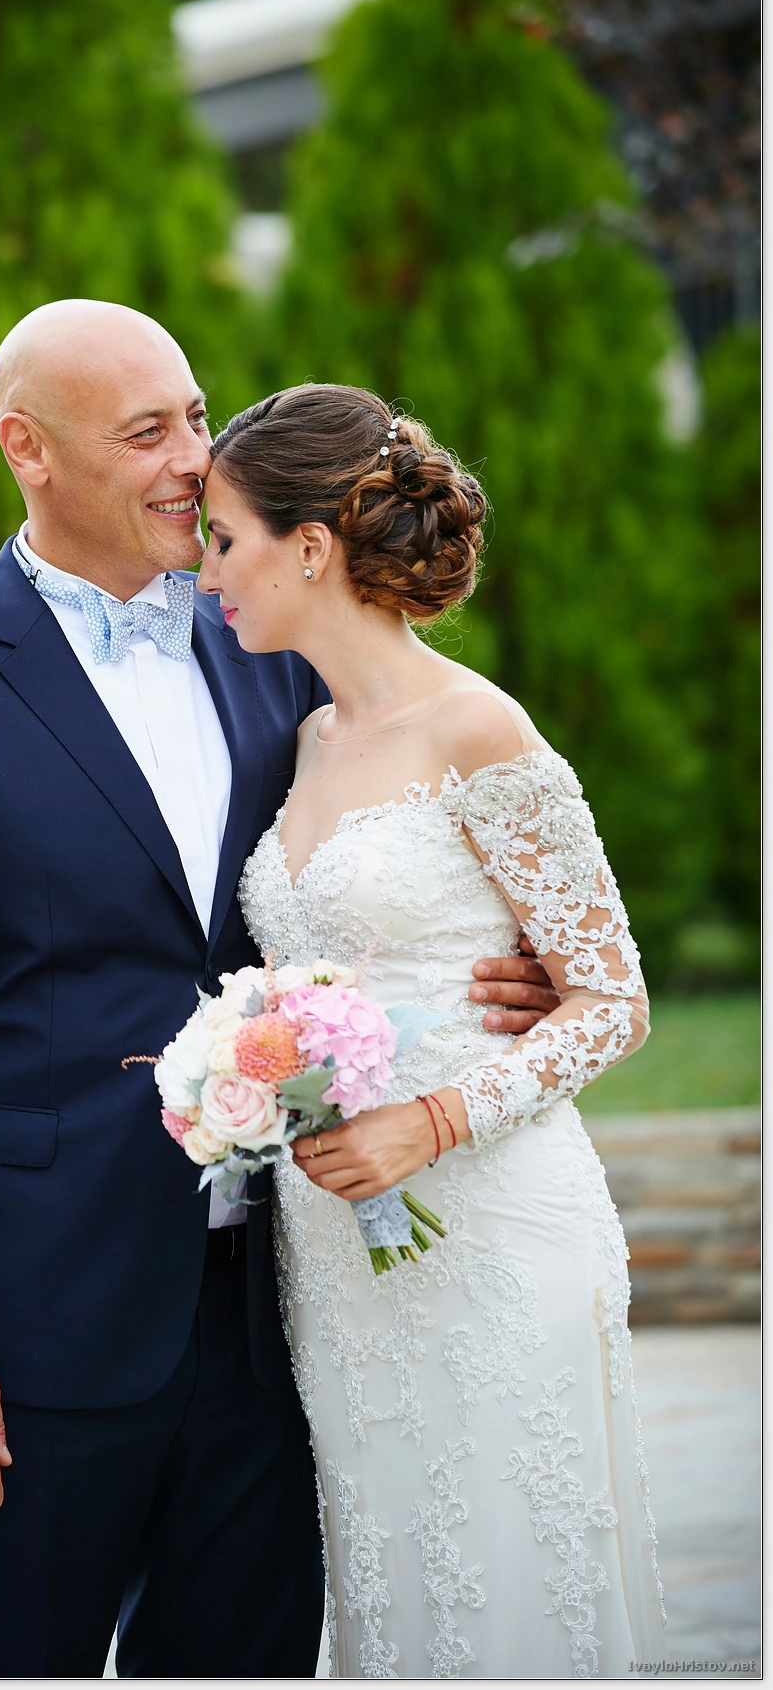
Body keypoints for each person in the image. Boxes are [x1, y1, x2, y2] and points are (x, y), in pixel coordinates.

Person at [0, 305, 559, 1678]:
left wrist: (487, 973)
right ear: (27, 448)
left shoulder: (270, 642)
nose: (194, 461)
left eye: (198, 418)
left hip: (278, 1317)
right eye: (147, 432)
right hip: (32, 1325)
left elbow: (377, 859)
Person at [198, 382, 666, 1680]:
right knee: (395, 1595)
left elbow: (615, 998)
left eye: (224, 539)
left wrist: (435, 1119)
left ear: (309, 546)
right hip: (338, 1261)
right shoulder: (301, 738)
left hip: (493, 1224)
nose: (207, 571)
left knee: (508, 1593)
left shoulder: (478, 727)